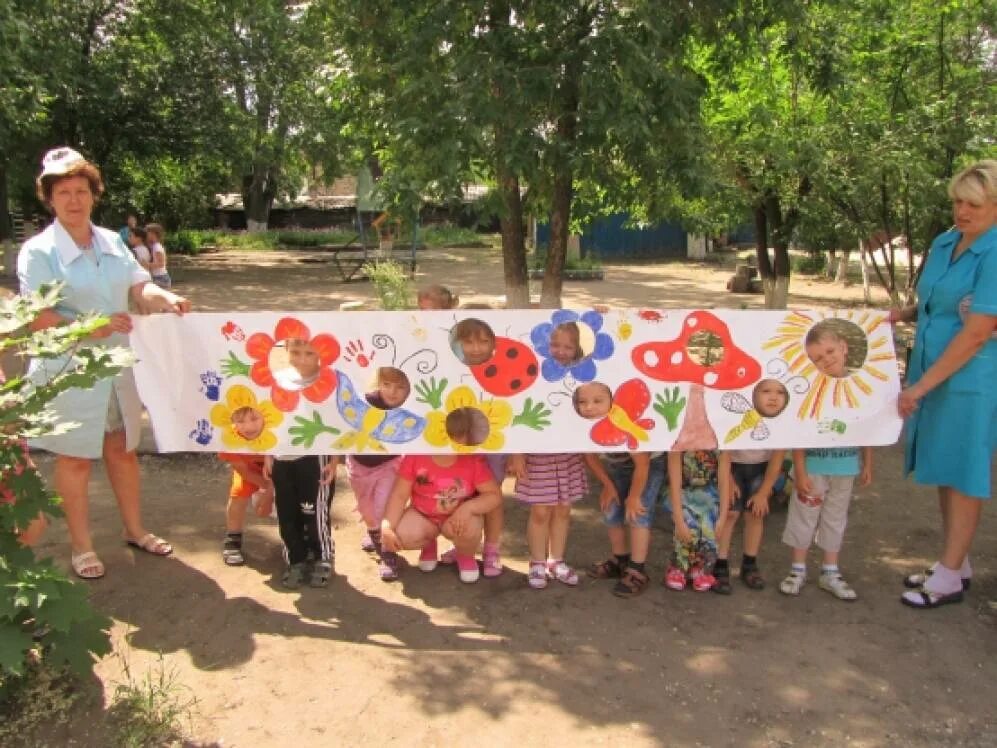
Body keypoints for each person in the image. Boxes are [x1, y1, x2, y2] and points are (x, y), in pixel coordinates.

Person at [17, 147, 190, 580]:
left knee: (123, 450)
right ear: (49, 198)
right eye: (63, 192)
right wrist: (87, 327)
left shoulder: (112, 241)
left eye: (81, 190)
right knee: (75, 460)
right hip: (68, 372)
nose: (74, 200)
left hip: (119, 368)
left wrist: (165, 298)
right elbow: (35, 316)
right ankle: (81, 547)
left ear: (94, 195)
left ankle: (134, 530)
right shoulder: (38, 253)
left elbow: (139, 288)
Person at [891, 160, 997, 609]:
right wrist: (904, 315)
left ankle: (950, 576)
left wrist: (918, 388)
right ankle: (956, 562)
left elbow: (977, 330)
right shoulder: (945, 241)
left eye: (973, 203)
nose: (962, 211)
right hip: (931, 369)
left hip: (970, 378)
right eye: (957, 201)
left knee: (964, 472)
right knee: (942, 466)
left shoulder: (993, 252)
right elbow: (935, 301)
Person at [379, 408, 502, 584]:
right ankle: (429, 543)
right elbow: (399, 495)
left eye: (458, 436)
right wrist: (387, 526)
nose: (449, 442)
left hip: (457, 518)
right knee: (403, 533)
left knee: (471, 526)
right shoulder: (415, 457)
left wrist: (469, 508)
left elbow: (493, 495)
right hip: (423, 516)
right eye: (444, 434)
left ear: (467, 436)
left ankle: (465, 555)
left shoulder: (472, 461)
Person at [778, 446, 873, 600]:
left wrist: (868, 463)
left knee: (836, 518)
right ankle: (797, 569)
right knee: (804, 515)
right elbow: (799, 431)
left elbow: (866, 429)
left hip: (845, 466)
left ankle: (830, 570)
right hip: (812, 466)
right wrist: (800, 471)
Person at [344, 366, 408, 581]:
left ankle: (387, 554)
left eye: (400, 387)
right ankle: (373, 533)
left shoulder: (410, 406)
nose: (392, 392)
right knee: (367, 509)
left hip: (388, 465)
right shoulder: (366, 401)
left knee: (382, 508)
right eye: (387, 385)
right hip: (358, 465)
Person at [586, 448, 665, 598]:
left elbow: (643, 464)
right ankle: (620, 560)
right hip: (618, 464)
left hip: (649, 462)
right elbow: (588, 456)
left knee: (638, 512)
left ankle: (637, 569)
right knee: (611, 507)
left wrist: (634, 497)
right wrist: (608, 486)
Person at [508, 449, 587, 590]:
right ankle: (537, 563)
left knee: (563, 509)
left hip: (567, 453)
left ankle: (556, 561)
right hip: (538, 456)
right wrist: (517, 452)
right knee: (540, 512)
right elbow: (515, 426)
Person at [712, 448, 785, 594]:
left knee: (756, 513)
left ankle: (749, 564)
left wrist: (764, 492)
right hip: (730, 463)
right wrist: (728, 480)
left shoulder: (776, 425)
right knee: (729, 513)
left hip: (763, 466)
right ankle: (720, 563)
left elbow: (779, 452)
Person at [262, 453, 338, 589]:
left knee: (314, 511)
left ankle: (322, 556)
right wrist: (268, 456)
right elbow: (267, 431)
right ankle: (295, 558)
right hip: (280, 460)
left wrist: (334, 460)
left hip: (313, 457)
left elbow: (337, 432)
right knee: (286, 512)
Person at [664, 450, 731, 592]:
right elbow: (674, 483)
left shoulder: (721, 447)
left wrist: (723, 516)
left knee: (709, 534)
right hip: (684, 495)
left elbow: (724, 483)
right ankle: (679, 567)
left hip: (710, 498)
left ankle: (700, 568)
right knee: (686, 531)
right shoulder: (678, 446)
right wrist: (678, 518)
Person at [218, 406, 274, 566]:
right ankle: (232, 538)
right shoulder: (228, 438)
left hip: (281, 475)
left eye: (254, 419)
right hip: (249, 473)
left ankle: (300, 536)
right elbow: (242, 471)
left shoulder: (277, 431)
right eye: (240, 421)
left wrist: (270, 493)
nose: (249, 427)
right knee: (238, 496)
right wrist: (264, 488)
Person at [144, 223, 172, 289]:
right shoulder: (154, 246)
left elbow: (161, 264)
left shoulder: (157, 247)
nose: (145, 235)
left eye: (147, 233)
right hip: (159, 277)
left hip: (160, 278)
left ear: (153, 234)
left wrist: (147, 264)